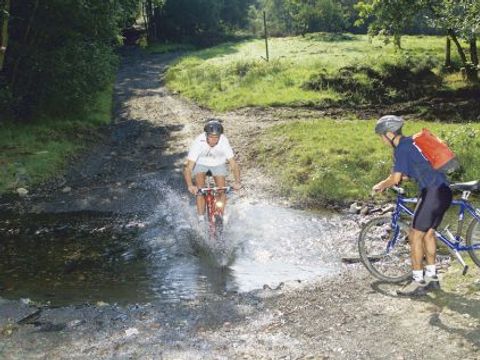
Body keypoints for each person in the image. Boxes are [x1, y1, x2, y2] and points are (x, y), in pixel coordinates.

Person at [372, 115, 452, 297]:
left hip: (432, 193)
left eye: (381, 136)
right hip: (443, 191)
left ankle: (418, 282)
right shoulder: (411, 143)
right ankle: (432, 279)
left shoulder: (402, 148)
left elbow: (395, 178)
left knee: (415, 235)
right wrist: (396, 179)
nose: (381, 140)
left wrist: (381, 185)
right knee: (428, 234)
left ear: (390, 134)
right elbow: (412, 172)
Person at [183, 119, 241, 223]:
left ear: (220, 136)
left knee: (221, 190)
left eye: (216, 137)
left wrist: (237, 182)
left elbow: (233, 164)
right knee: (200, 190)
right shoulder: (198, 142)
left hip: (218, 163)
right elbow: (188, 167)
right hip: (201, 162)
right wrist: (190, 185)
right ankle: (201, 218)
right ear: (206, 135)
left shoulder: (223, 141)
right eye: (211, 137)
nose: (214, 140)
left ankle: (220, 215)